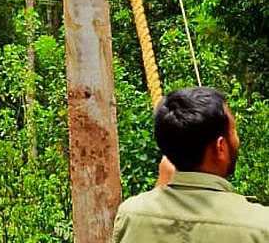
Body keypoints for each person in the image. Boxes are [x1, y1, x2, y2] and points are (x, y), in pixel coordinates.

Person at [113, 86, 269, 242]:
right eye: (233, 130)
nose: (237, 139)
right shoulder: (260, 227)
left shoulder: (130, 216)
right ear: (220, 147)